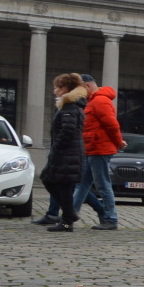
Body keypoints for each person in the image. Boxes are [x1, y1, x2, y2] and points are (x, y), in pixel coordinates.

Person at [71, 73, 125, 231]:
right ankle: (70, 215)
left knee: (102, 185)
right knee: (82, 184)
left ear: (87, 86)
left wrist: (118, 141)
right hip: (92, 148)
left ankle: (111, 219)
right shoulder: (94, 101)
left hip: (99, 149)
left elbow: (111, 124)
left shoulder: (100, 100)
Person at [39, 73, 87, 233]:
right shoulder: (69, 105)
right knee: (50, 180)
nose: (55, 91)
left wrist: (57, 148)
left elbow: (68, 129)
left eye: (57, 87)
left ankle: (67, 220)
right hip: (67, 152)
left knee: (63, 185)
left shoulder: (70, 106)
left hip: (67, 153)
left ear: (66, 88)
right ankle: (69, 214)